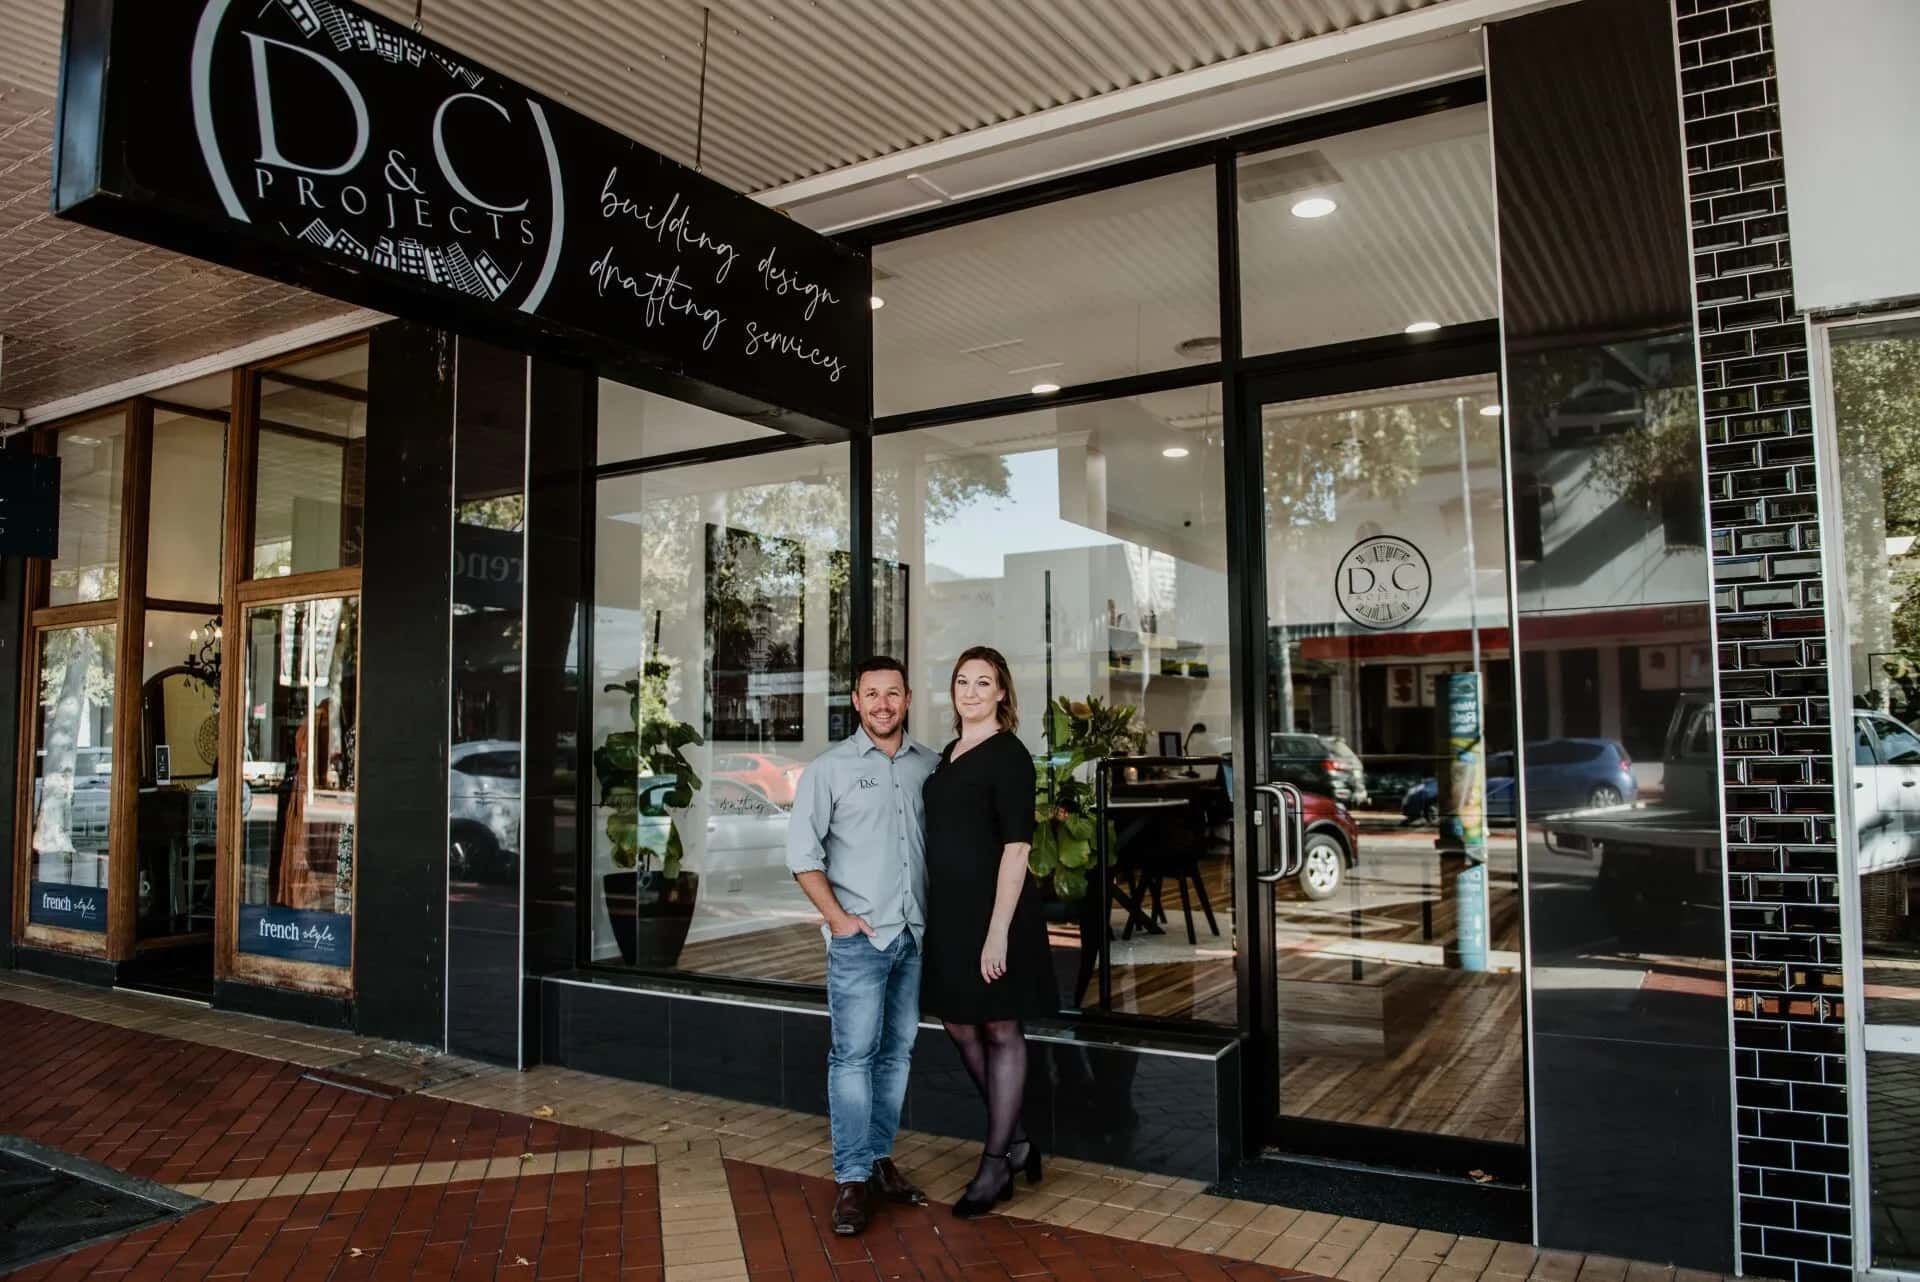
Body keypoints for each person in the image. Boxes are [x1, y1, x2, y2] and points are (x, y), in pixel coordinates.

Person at [786, 656, 939, 1236]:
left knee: (896, 1055)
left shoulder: (930, 766)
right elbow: (803, 855)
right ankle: (850, 1178)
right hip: (861, 941)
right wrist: (839, 920)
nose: (882, 704)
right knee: (851, 1057)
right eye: (871, 694)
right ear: (856, 700)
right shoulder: (830, 769)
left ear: (906, 699)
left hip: (915, 936)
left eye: (892, 693)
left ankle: (877, 1160)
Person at [920, 645, 1054, 1218]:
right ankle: (1018, 1140)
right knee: (958, 1021)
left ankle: (996, 1162)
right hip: (950, 914)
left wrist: (997, 932)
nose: (971, 692)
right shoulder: (949, 753)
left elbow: (1016, 847)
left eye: (983, 682)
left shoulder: (1009, 756)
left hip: (997, 914)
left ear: (1002, 692)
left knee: (1000, 1026)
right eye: (962, 681)